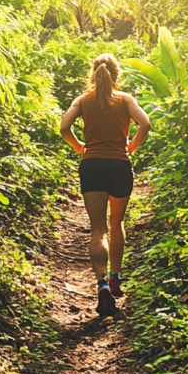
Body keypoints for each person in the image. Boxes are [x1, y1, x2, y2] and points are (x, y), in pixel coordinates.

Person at [59, 53, 152, 316]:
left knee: (98, 228)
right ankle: (115, 278)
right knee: (116, 223)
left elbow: (64, 127)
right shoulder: (125, 100)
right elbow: (145, 123)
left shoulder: (83, 101)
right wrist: (132, 145)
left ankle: (100, 284)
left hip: (92, 166)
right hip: (119, 166)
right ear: (117, 74)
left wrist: (79, 147)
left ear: (93, 73)